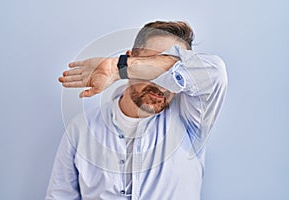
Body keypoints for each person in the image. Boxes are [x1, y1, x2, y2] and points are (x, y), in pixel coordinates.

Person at [46, 21, 228, 200]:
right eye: (150, 66)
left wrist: (117, 68)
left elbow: (216, 71)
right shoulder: (81, 130)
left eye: (168, 71)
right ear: (131, 56)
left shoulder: (189, 120)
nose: (163, 84)